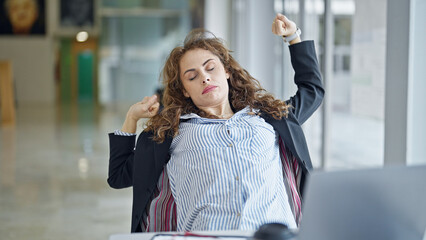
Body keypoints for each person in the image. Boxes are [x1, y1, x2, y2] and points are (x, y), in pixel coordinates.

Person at [108, 13, 324, 232]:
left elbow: (312, 90)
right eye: (192, 77)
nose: (205, 77)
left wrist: (293, 38)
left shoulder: (269, 118)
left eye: (210, 68)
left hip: (272, 236)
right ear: (185, 90)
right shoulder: (170, 133)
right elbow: (118, 176)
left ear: (227, 71)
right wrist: (131, 118)